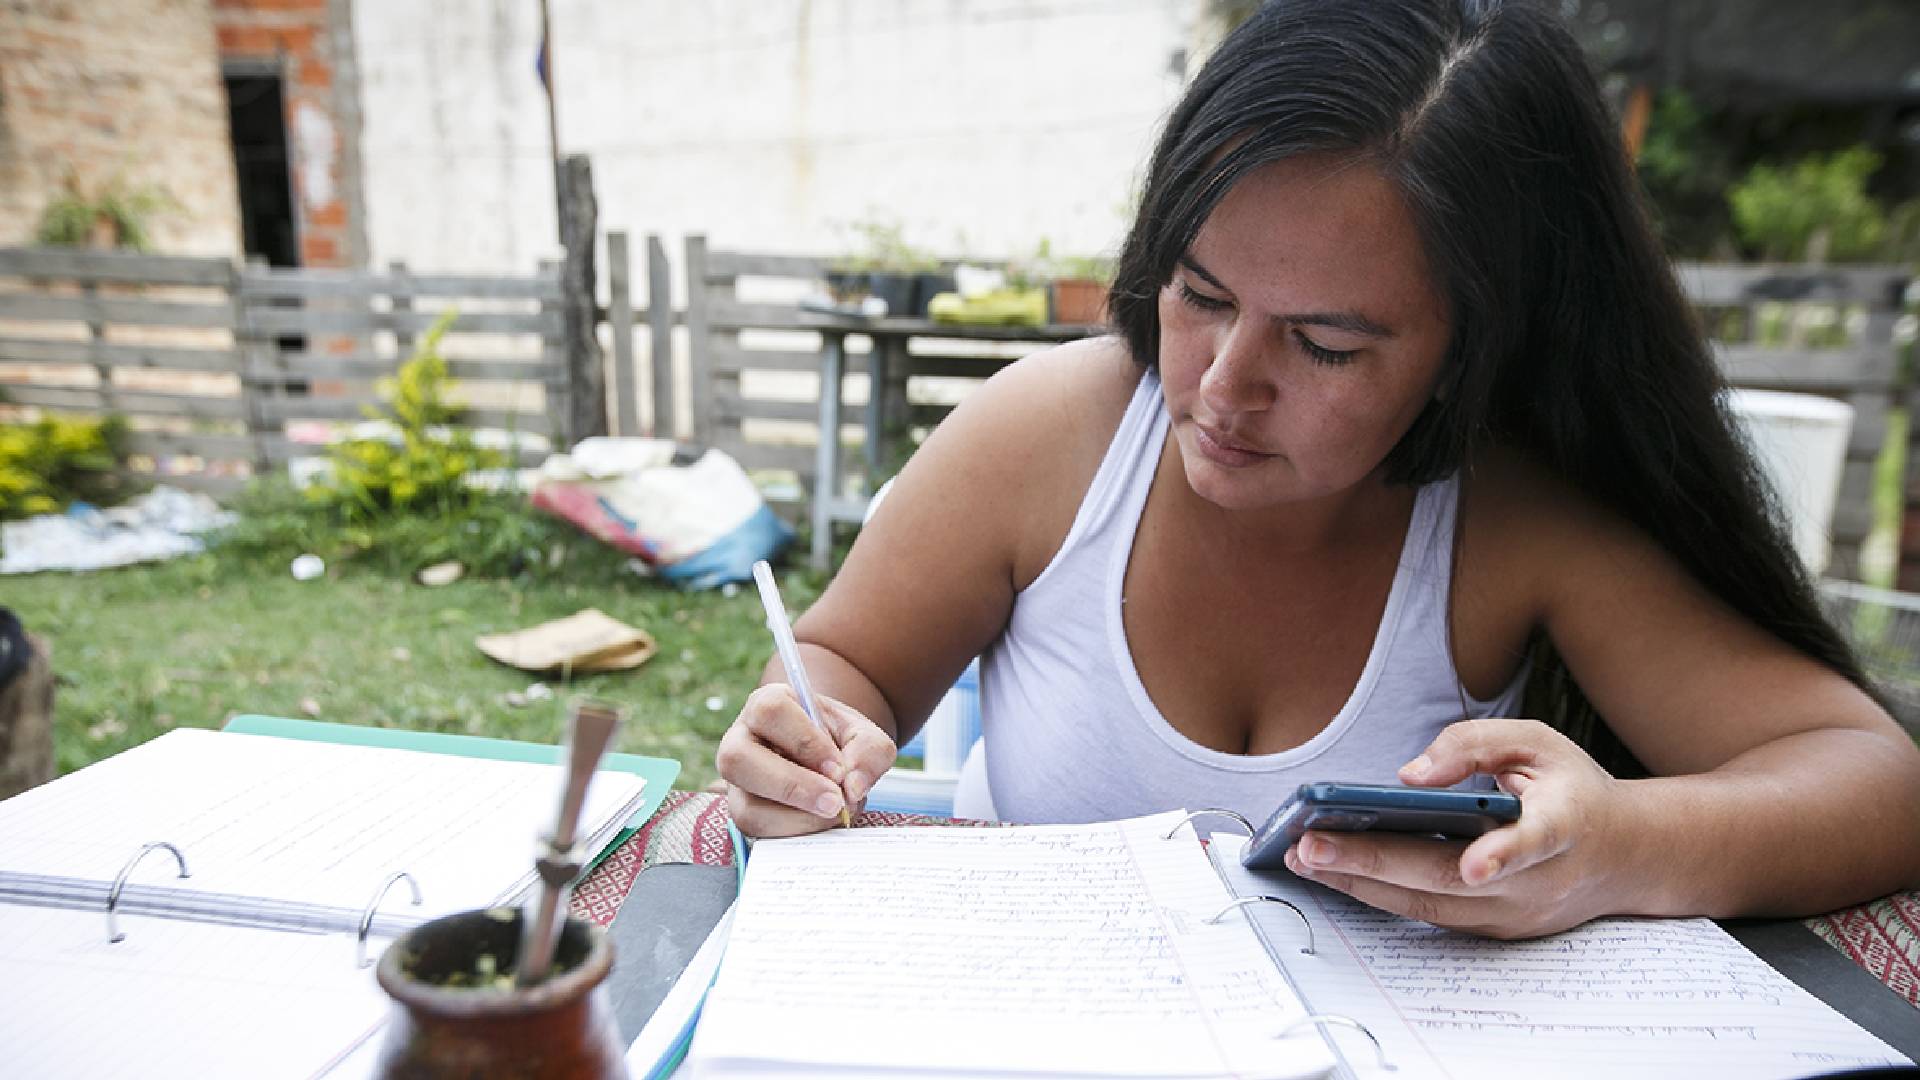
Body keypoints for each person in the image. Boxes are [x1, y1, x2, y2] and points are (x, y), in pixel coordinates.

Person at [715, 0, 1920, 938]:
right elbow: (849, 663)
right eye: (1199, 293)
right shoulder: (1052, 438)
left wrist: (1619, 844)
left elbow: (1874, 782)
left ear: (1470, 349)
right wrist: (812, 736)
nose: (1224, 385)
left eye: (1327, 344)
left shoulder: (1508, 522)